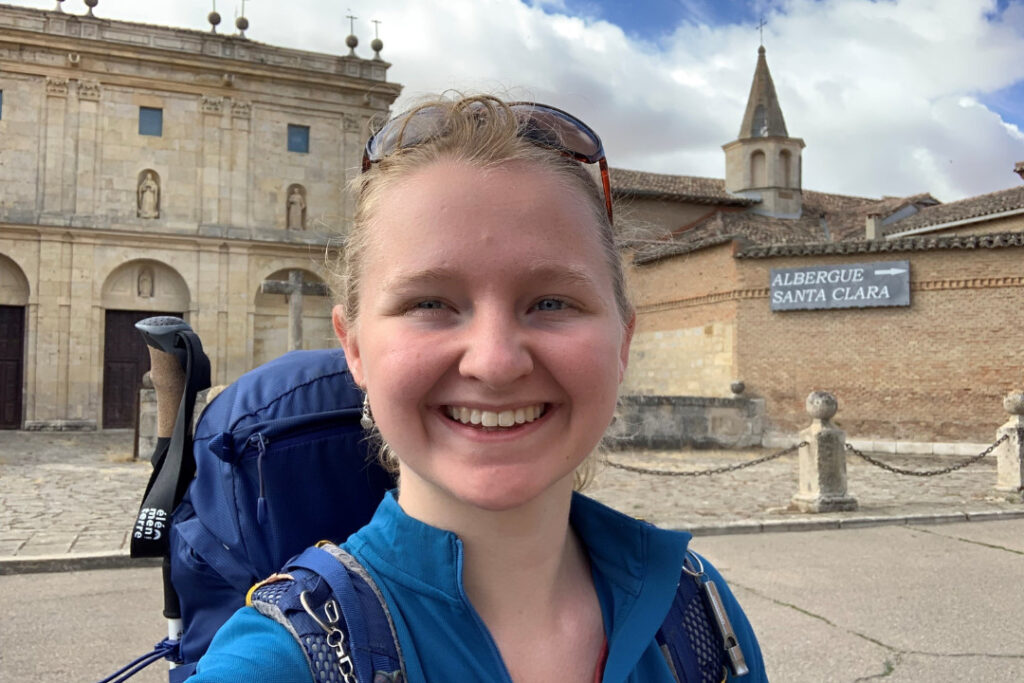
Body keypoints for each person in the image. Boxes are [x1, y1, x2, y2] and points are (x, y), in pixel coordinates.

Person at [188, 95, 766, 682]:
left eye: (551, 302)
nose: (494, 362)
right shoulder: (274, 664)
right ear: (354, 348)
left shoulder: (696, 607)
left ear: (622, 343)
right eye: (430, 303)